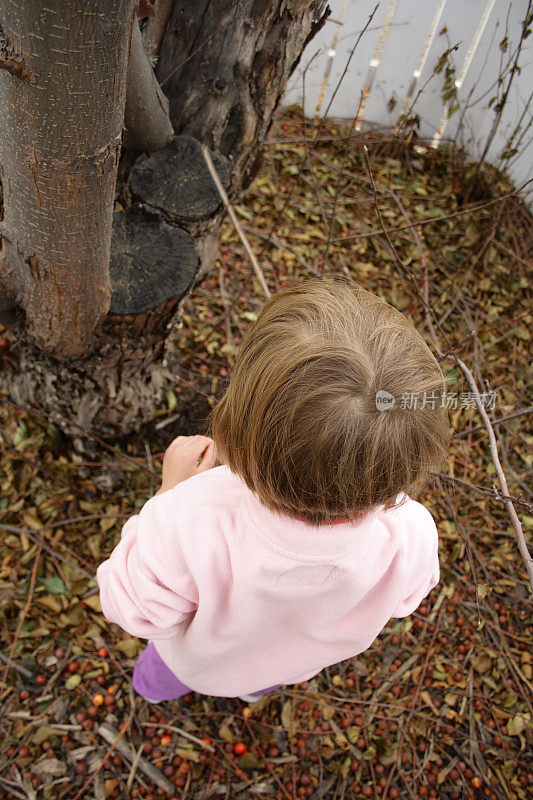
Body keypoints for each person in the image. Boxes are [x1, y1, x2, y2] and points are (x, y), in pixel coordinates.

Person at [96, 276, 450, 704]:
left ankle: (151, 694)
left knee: (159, 677)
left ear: (238, 430)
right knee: (256, 681)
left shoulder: (189, 518)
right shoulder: (411, 533)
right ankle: (247, 691)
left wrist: (168, 491)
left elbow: (133, 609)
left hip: (194, 661)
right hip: (285, 665)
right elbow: (409, 595)